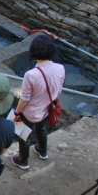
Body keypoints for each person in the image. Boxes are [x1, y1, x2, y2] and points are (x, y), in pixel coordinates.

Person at [11, 35, 65, 170]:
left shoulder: (31, 74)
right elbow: (58, 90)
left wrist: (17, 112)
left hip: (30, 112)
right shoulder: (60, 68)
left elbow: (24, 98)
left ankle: (23, 160)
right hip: (46, 108)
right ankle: (42, 150)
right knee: (41, 129)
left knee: (25, 136)